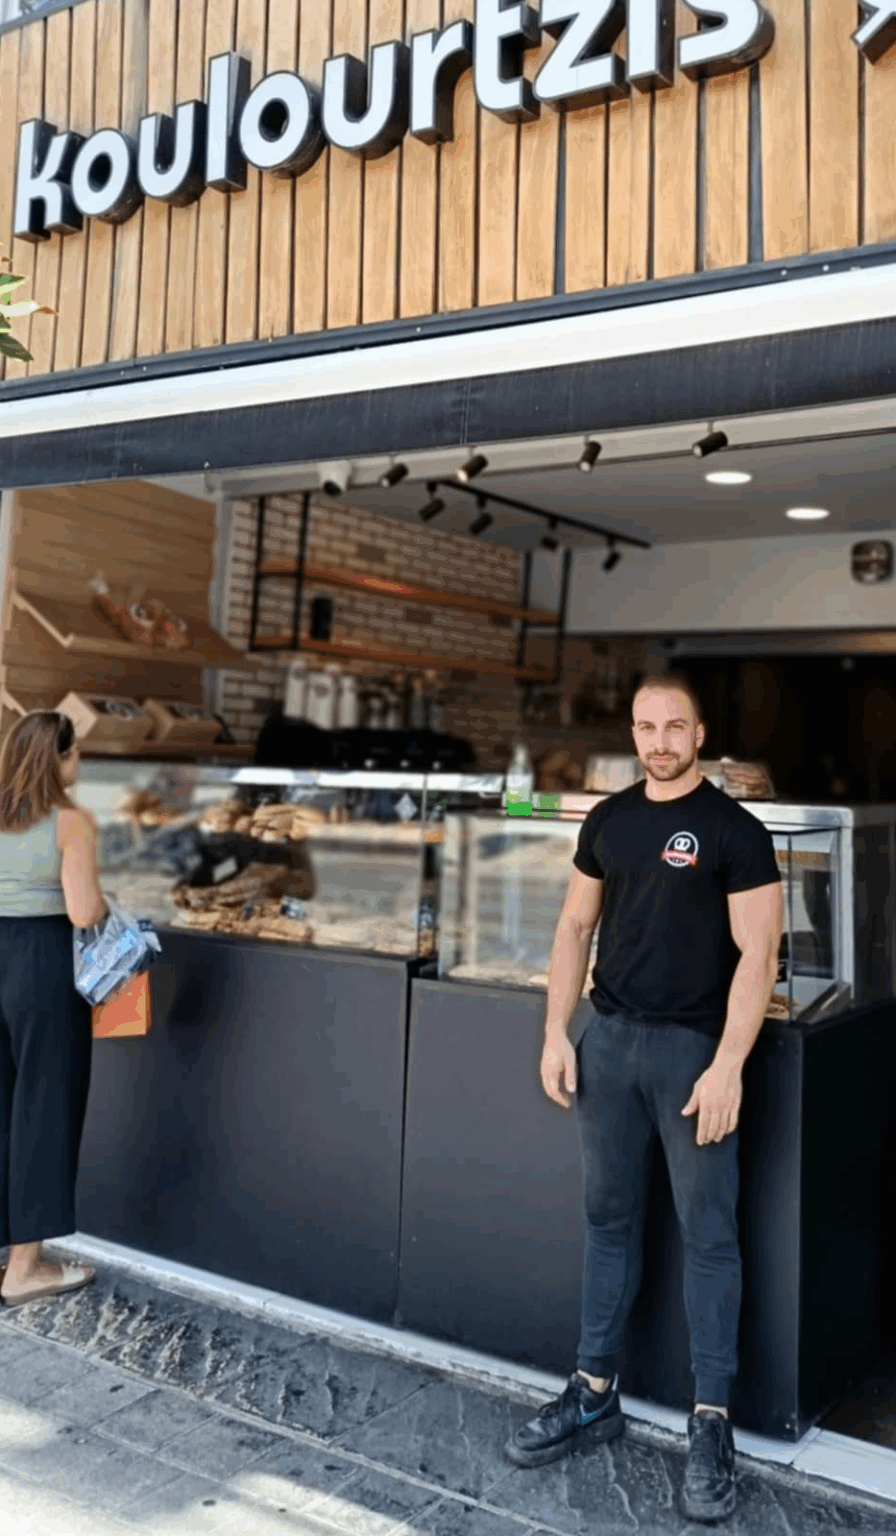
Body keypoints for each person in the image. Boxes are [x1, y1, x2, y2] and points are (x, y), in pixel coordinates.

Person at [505, 673, 783, 1524]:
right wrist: (557, 1031)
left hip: (693, 1056)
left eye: (674, 727)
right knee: (608, 1220)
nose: (659, 741)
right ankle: (593, 1392)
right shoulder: (609, 820)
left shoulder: (735, 832)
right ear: (633, 735)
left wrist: (730, 1063)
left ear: (700, 735)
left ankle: (712, 1422)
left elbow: (759, 956)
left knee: (709, 1235)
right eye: (646, 727)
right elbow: (573, 928)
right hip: (611, 1046)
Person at [0, 710, 106, 1306]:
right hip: (41, 962)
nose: (79, 760)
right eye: (75, 751)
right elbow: (84, 911)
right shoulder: (70, 821)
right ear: (59, 758)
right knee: (44, 1106)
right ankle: (23, 1269)